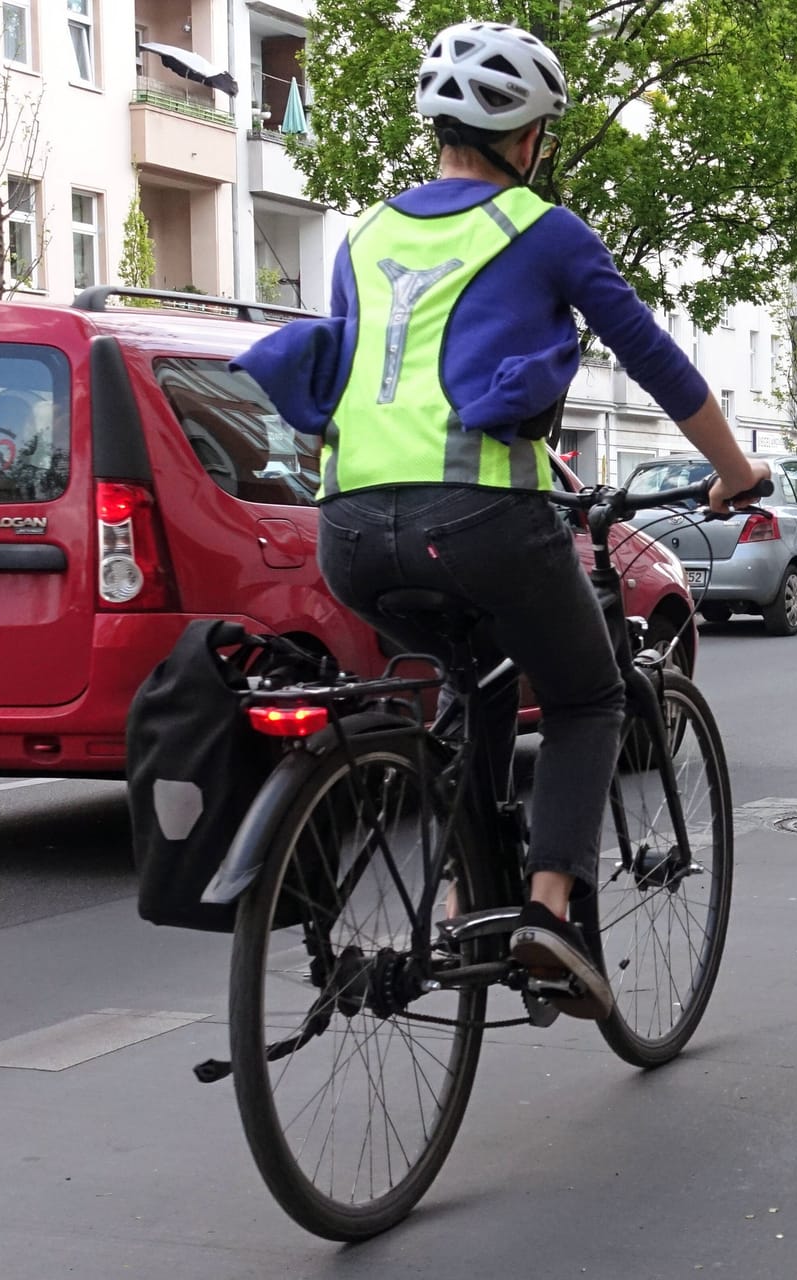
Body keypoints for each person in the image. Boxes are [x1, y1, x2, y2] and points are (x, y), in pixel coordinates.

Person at [235, 20, 769, 1020]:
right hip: (481, 520)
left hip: (348, 532)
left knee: (467, 681)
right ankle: (550, 909)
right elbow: (654, 359)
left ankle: (456, 886)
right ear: (530, 140)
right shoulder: (542, 228)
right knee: (587, 696)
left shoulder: (365, 233)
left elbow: (390, 384)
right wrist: (735, 470)